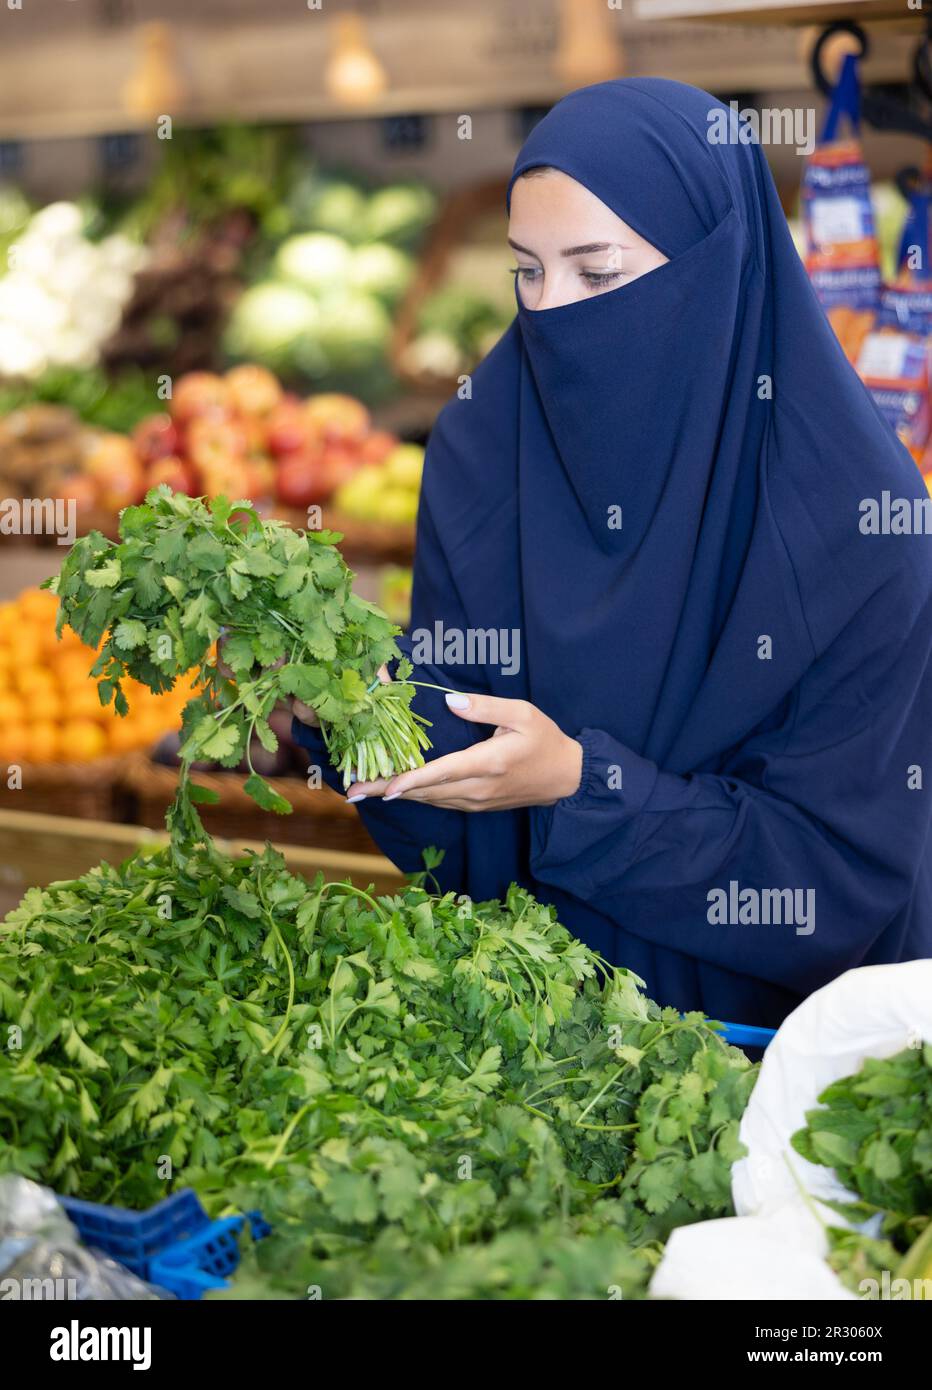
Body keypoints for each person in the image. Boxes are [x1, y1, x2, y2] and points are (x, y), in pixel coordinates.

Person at [293, 78, 932, 1027]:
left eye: (597, 273)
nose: (552, 314)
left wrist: (583, 791)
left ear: (716, 270)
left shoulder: (859, 524)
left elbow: (831, 887)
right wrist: (349, 707)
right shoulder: (483, 456)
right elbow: (466, 834)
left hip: (781, 1068)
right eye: (527, 271)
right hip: (522, 1046)